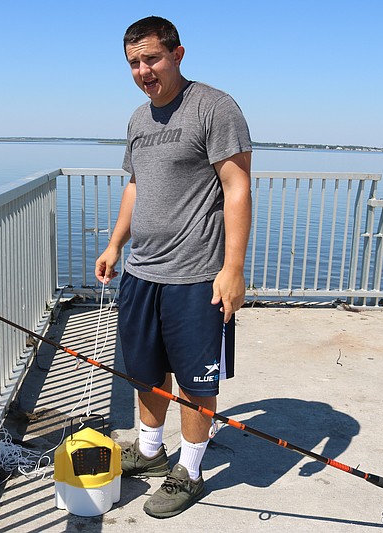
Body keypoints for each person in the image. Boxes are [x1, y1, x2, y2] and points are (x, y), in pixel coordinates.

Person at [95, 15, 252, 518]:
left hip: (196, 276)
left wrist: (233, 269)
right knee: (144, 374)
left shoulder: (214, 107)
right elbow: (135, 187)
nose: (143, 70)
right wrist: (116, 245)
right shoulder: (139, 120)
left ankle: (190, 470)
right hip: (142, 272)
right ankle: (148, 452)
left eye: (152, 59)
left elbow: (238, 187)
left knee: (195, 381)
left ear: (178, 55)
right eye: (134, 63)